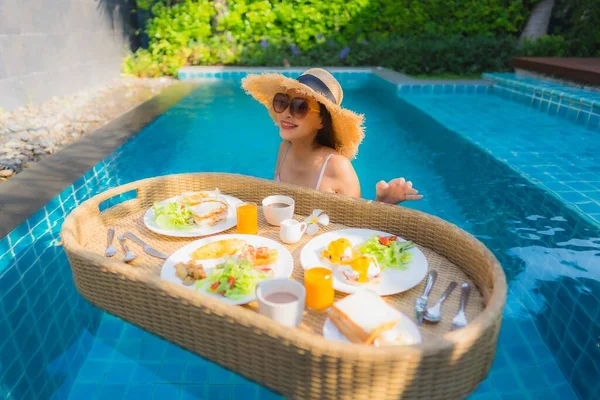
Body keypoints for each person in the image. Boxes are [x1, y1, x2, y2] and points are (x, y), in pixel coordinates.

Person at [241, 68, 422, 204]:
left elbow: (358, 225)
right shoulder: (285, 148)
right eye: (282, 102)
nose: (286, 113)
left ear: (321, 121)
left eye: (300, 107)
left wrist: (382, 203)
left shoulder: (337, 166)